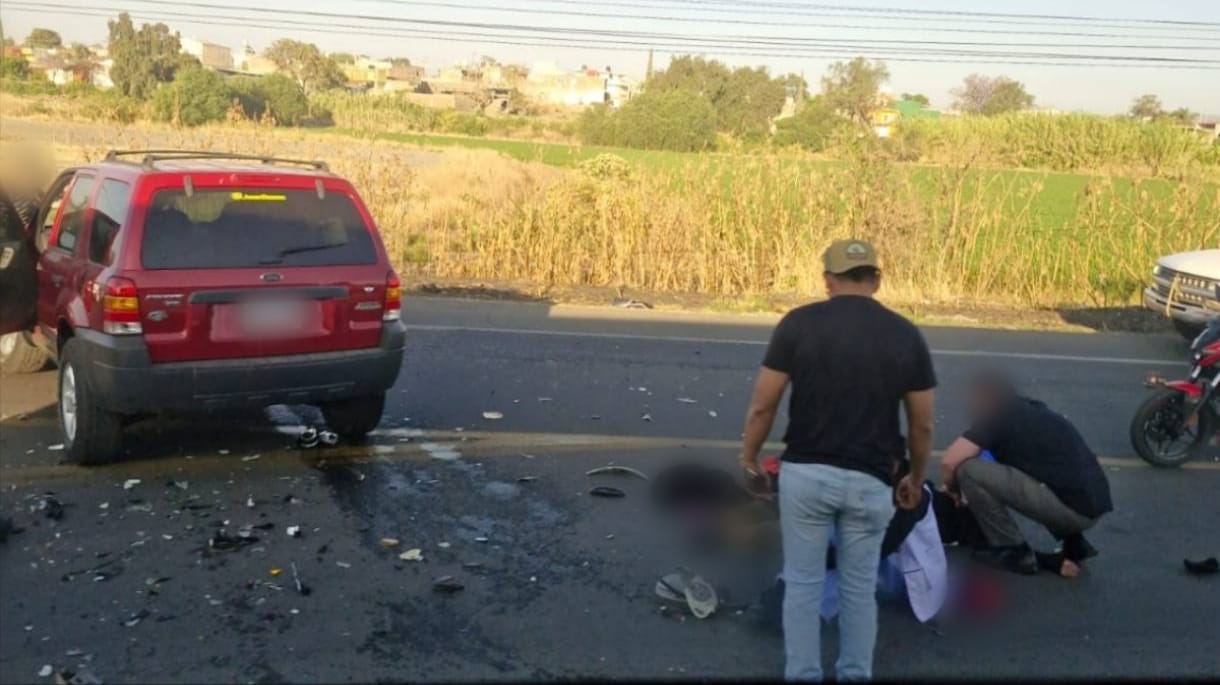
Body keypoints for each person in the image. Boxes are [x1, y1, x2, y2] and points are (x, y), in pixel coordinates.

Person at [738, 239, 937, 682]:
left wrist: (749, 458)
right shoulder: (905, 333)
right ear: (877, 280)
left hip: (806, 476)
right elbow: (922, 424)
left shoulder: (797, 324)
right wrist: (915, 476)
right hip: (871, 481)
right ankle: (854, 675)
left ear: (827, 280)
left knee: (803, 588)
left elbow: (762, 406)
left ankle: (803, 674)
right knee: (858, 591)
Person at [939, 371, 1113, 577]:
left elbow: (949, 461)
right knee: (1041, 471)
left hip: (1073, 511)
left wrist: (952, 491)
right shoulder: (1032, 409)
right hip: (1092, 503)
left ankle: (1013, 550)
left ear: (986, 398)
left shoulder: (996, 417)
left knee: (969, 471)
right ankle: (1075, 543)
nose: (970, 408)